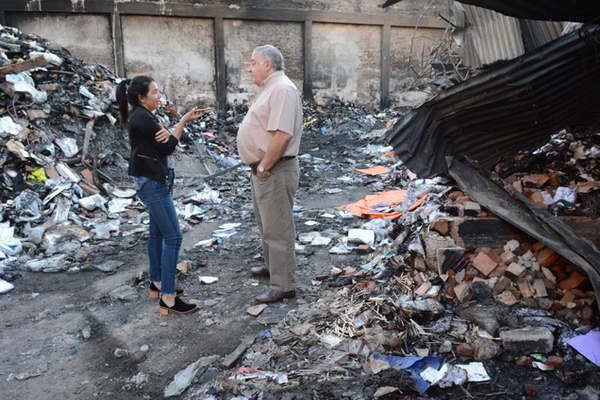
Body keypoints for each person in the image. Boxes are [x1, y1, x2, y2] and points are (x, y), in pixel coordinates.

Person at [116, 76, 203, 316]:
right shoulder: (143, 118)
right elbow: (168, 146)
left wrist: (170, 131)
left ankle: (157, 282)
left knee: (156, 234)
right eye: (155, 92)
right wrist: (183, 121)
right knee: (173, 237)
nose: (159, 94)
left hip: (151, 179)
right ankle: (168, 297)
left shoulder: (143, 116)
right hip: (153, 183)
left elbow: (166, 141)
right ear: (142, 97)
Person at [236, 45, 303, 304]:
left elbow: (282, 134)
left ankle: (284, 285)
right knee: (267, 225)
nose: (249, 67)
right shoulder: (270, 89)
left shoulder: (283, 89)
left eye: (253, 62)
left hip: (274, 169)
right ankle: (272, 267)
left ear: (268, 64)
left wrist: (264, 165)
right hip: (264, 168)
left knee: (278, 228)